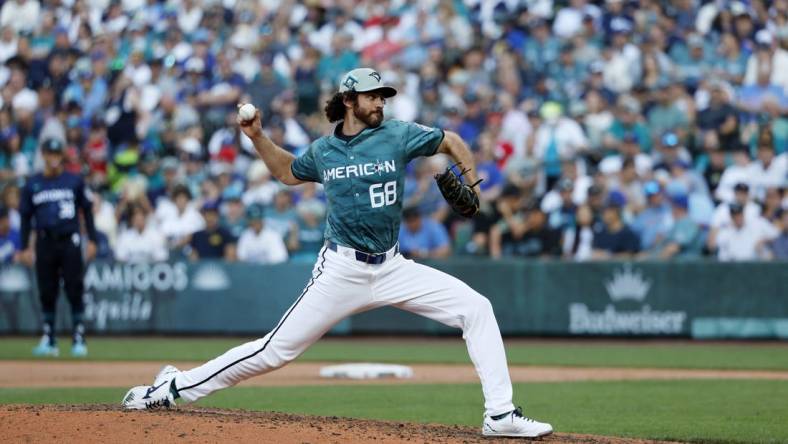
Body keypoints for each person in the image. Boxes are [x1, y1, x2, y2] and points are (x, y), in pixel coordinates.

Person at [122, 68, 552, 438]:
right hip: (342, 270)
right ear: (349, 101)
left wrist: (473, 184)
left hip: (393, 266)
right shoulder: (324, 151)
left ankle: (500, 414)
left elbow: (452, 141)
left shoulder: (397, 135)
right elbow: (287, 172)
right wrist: (257, 137)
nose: (380, 102)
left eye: (383, 96)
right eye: (372, 96)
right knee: (275, 351)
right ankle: (173, 388)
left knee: (476, 308)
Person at [17, 138, 98, 357]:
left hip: (69, 240)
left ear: (61, 155)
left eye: (56, 153)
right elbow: (25, 217)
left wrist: (92, 239)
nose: (53, 158)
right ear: (43, 155)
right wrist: (24, 246)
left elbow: (87, 210)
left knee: (74, 287)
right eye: (49, 153)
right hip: (44, 241)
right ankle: (49, 338)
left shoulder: (74, 181)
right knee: (47, 289)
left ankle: (78, 337)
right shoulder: (33, 184)